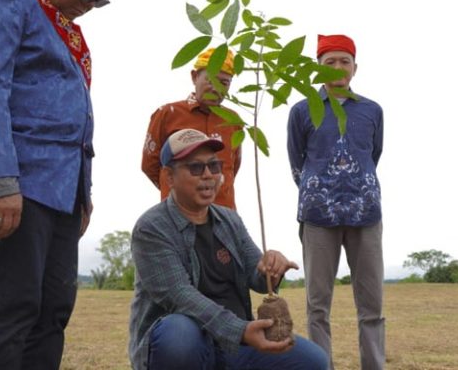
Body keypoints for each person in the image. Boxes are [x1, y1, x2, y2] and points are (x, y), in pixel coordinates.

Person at [0, 0, 129, 370]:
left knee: (53, 310)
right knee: (14, 308)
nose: (90, 5)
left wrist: (82, 193)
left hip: (62, 192)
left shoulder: (64, 29)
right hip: (20, 181)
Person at [129, 128, 328, 370]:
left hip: (235, 345)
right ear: (169, 177)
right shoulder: (151, 228)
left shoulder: (229, 219)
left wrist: (272, 267)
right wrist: (241, 330)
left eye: (214, 166)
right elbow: (180, 296)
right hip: (196, 343)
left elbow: (256, 273)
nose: (208, 175)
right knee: (178, 334)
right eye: (195, 167)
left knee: (314, 361)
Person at [287, 34, 385, 369]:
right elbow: (297, 162)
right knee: (317, 307)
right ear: (318, 68)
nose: (338, 68)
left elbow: (373, 154)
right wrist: (321, 190)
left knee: (372, 307)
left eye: (344, 61)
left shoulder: (372, 110)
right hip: (317, 217)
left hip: (366, 215)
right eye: (329, 62)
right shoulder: (302, 111)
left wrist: (356, 185)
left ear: (355, 67)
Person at [142, 48, 242, 209]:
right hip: (177, 215)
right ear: (195, 77)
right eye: (210, 80)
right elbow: (150, 165)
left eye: (224, 83)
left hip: (225, 215)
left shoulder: (233, 121)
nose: (216, 89)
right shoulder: (167, 114)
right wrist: (181, 190)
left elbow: (232, 167)